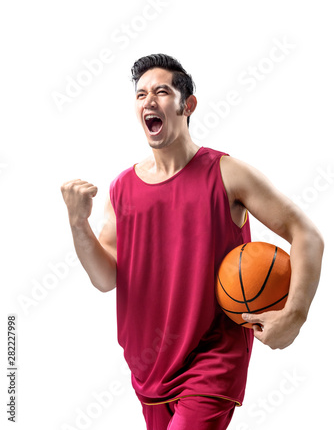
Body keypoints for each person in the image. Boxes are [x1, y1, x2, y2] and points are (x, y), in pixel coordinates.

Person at [60, 54, 324, 430]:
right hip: (149, 367)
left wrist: (295, 315)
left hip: (214, 357)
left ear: (188, 105)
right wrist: (77, 223)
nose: (149, 100)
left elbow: (306, 234)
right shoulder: (122, 187)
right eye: (140, 94)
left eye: (162, 91)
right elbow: (105, 278)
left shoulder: (226, 173)